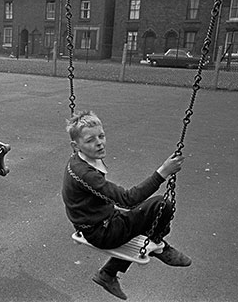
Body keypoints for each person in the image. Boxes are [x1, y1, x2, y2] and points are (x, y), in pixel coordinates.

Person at [62, 110, 191, 300]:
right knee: (162, 205)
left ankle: (108, 273)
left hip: (99, 221)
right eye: (90, 140)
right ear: (76, 146)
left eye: (101, 136)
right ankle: (159, 245)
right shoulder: (85, 173)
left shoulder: (80, 160)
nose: (99, 142)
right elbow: (128, 199)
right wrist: (163, 172)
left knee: (146, 216)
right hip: (101, 232)